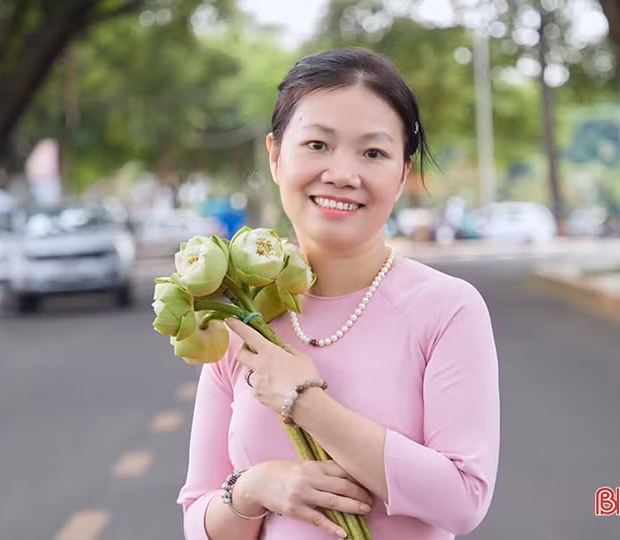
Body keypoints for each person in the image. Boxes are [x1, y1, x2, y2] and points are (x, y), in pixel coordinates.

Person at [177, 48, 500, 540]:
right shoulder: (240, 309)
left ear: (401, 173)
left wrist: (304, 403)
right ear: (275, 155)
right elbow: (198, 518)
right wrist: (256, 487)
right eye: (317, 145)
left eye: (373, 152)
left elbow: (463, 500)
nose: (343, 174)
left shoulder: (447, 309)